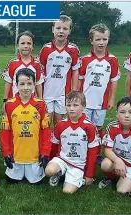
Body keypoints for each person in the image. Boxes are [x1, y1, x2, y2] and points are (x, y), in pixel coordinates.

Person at [38, 15, 81, 159]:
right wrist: (40, 93)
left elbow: (75, 71)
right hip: (47, 94)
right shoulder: (46, 49)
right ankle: (45, 152)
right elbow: (40, 72)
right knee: (46, 123)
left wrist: (73, 93)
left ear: (70, 31)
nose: (61, 31)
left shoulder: (73, 50)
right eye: (58, 28)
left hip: (64, 95)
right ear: (52, 29)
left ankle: (59, 152)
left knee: (60, 123)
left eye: (65, 28)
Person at [0, 68, 51, 184]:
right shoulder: (9, 105)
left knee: (36, 182)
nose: (26, 87)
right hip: (15, 156)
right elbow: (5, 132)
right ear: (16, 85)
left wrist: (45, 152)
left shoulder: (41, 105)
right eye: (22, 84)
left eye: (29, 83)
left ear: (34, 84)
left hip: (34, 156)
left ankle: (34, 170)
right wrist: (6, 153)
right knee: (12, 181)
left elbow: (46, 131)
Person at [45, 91, 100, 193]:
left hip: (78, 164)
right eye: (68, 105)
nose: (71, 108)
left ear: (83, 107)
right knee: (49, 171)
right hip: (62, 159)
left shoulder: (90, 127)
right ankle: (59, 172)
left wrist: (89, 175)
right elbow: (54, 146)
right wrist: (51, 160)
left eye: (75, 105)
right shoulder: (60, 125)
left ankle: (79, 179)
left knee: (67, 191)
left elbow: (93, 152)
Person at [98, 97, 131, 198]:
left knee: (122, 190)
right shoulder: (112, 127)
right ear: (117, 114)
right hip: (115, 160)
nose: (126, 116)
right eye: (122, 112)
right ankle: (111, 177)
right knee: (105, 164)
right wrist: (118, 161)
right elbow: (107, 150)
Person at [78, 23, 120, 140]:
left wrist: (111, 99)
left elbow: (114, 81)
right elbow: (79, 80)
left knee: (98, 126)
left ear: (108, 39)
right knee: (84, 125)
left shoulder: (112, 60)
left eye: (104, 39)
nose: (101, 42)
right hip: (85, 100)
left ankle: (96, 152)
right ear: (91, 41)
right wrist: (78, 97)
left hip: (102, 102)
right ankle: (84, 149)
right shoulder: (85, 59)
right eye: (98, 39)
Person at [2, 31, 44, 103]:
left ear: (33, 46)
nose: (26, 46)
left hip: (31, 104)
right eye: (22, 43)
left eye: (29, 43)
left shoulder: (37, 64)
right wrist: (5, 101)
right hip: (14, 102)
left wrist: (40, 101)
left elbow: (38, 84)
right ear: (17, 46)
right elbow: (8, 83)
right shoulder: (12, 63)